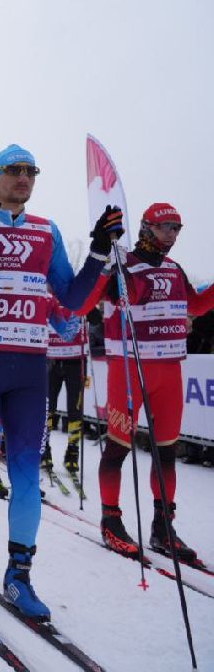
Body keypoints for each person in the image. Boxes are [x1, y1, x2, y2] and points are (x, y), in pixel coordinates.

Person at [0, 143, 122, 620]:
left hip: (29, 369)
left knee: (24, 475)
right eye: (13, 171)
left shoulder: (46, 230)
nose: (23, 178)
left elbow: (73, 298)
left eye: (30, 171)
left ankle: (19, 576)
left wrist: (98, 251)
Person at [82, 203, 214, 562]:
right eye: (165, 227)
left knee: (167, 451)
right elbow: (85, 305)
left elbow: (197, 306)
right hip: (129, 370)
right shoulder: (123, 264)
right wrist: (104, 264)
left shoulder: (174, 269)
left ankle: (163, 527)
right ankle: (111, 520)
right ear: (146, 227)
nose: (171, 234)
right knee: (118, 447)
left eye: (177, 228)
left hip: (169, 371)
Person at [42, 298, 84, 474]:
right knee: (48, 408)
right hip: (51, 359)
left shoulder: (79, 298)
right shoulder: (47, 297)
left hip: (75, 360)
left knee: (75, 409)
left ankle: (73, 453)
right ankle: (44, 450)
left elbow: (97, 319)